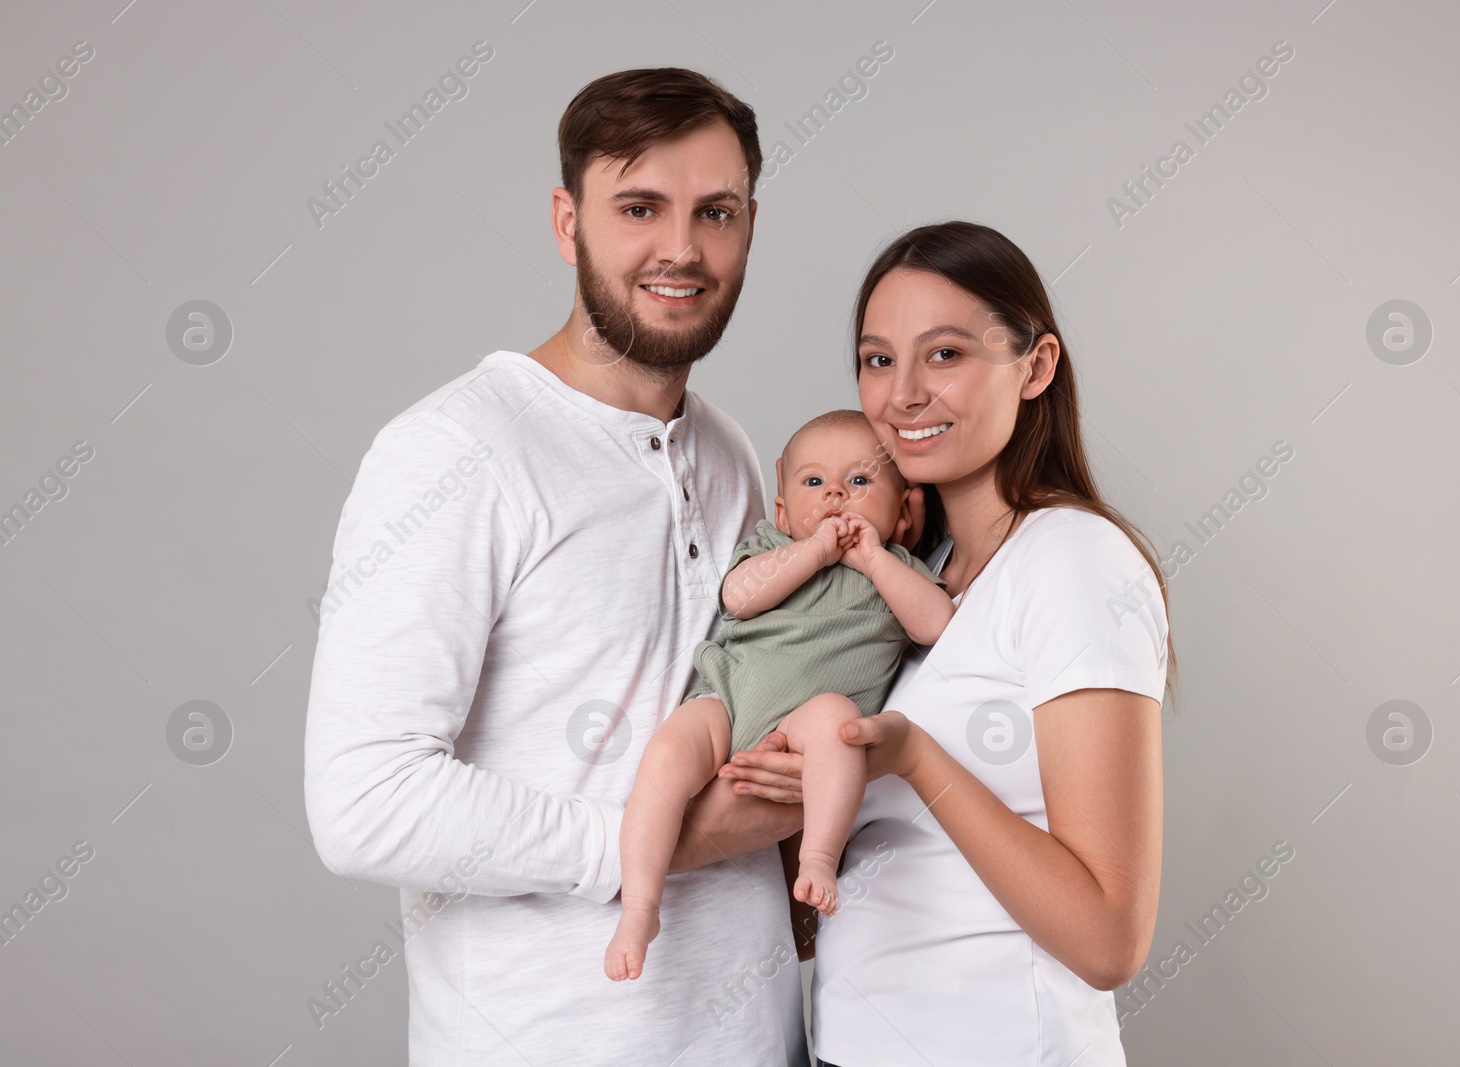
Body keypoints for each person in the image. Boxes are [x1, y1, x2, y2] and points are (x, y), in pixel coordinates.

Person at [303, 68, 815, 1066]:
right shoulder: (454, 451)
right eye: (638, 207)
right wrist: (651, 839)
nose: (681, 247)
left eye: (715, 211)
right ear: (565, 220)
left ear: (750, 225)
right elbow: (362, 799)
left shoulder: (732, 452)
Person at [724, 220, 1175, 1066]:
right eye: (877, 359)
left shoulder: (1071, 560)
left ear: (1035, 366)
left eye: (945, 355)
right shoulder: (909, 582)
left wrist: (915, 759)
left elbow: (1110, 938)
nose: (901, 396)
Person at [604, 410, 952, 981]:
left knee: (839, 724)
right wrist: (813, 551)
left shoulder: (896, 570)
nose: (836, 494)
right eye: (814, 483)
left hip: (804, 726)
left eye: (861, 482)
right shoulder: (772, 547)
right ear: (785, 508)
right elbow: (738, 598)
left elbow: (935, 623)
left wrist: (871, 558)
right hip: (727, 697)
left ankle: (816, 857)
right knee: (665, 759)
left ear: (904, 513)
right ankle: (641, 906)